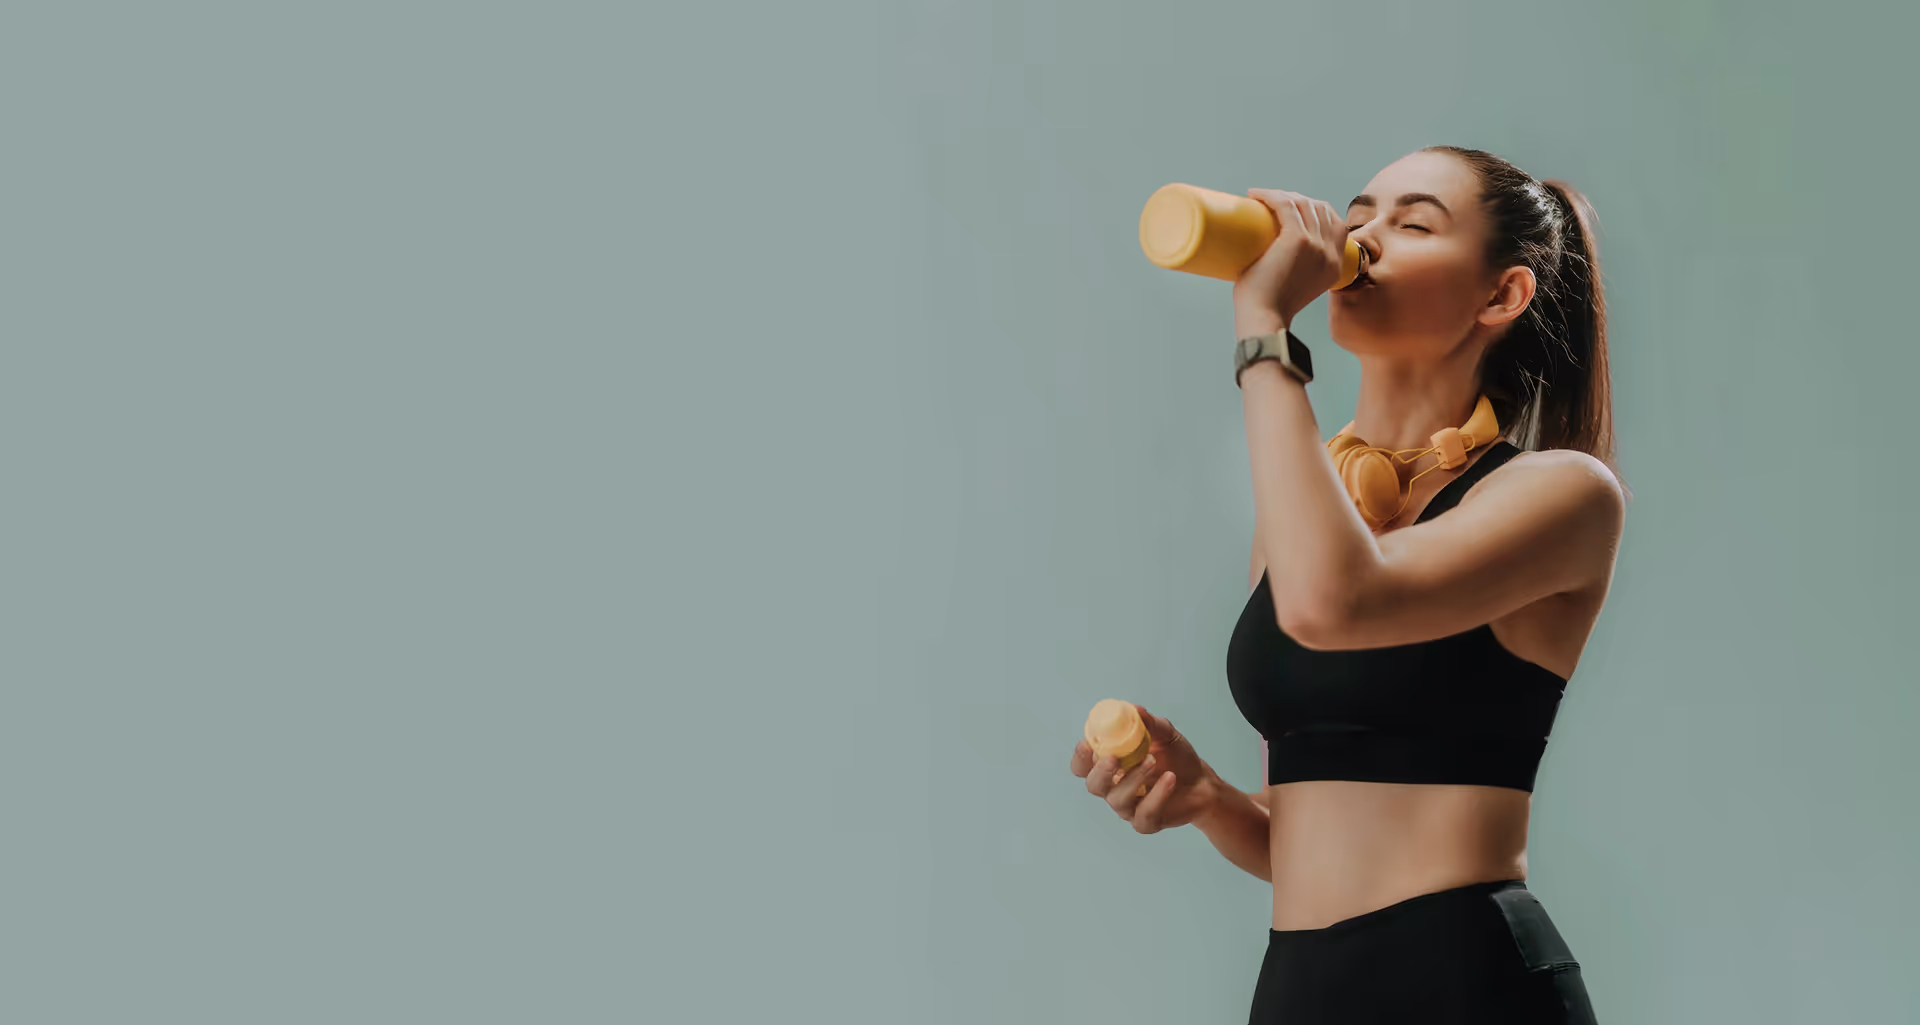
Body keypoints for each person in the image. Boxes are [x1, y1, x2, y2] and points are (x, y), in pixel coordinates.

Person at [1070, 146, 1623, 1023]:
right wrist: (1211, 798)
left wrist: (1263, 328)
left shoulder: (1561, 494)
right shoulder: (1308, 510)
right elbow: (1314, 835)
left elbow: (1339, 602)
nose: (1362, 236)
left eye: (1413, 222)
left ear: (1499, 296)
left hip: (1465, 981)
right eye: (1359, 214)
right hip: (1301, 987)